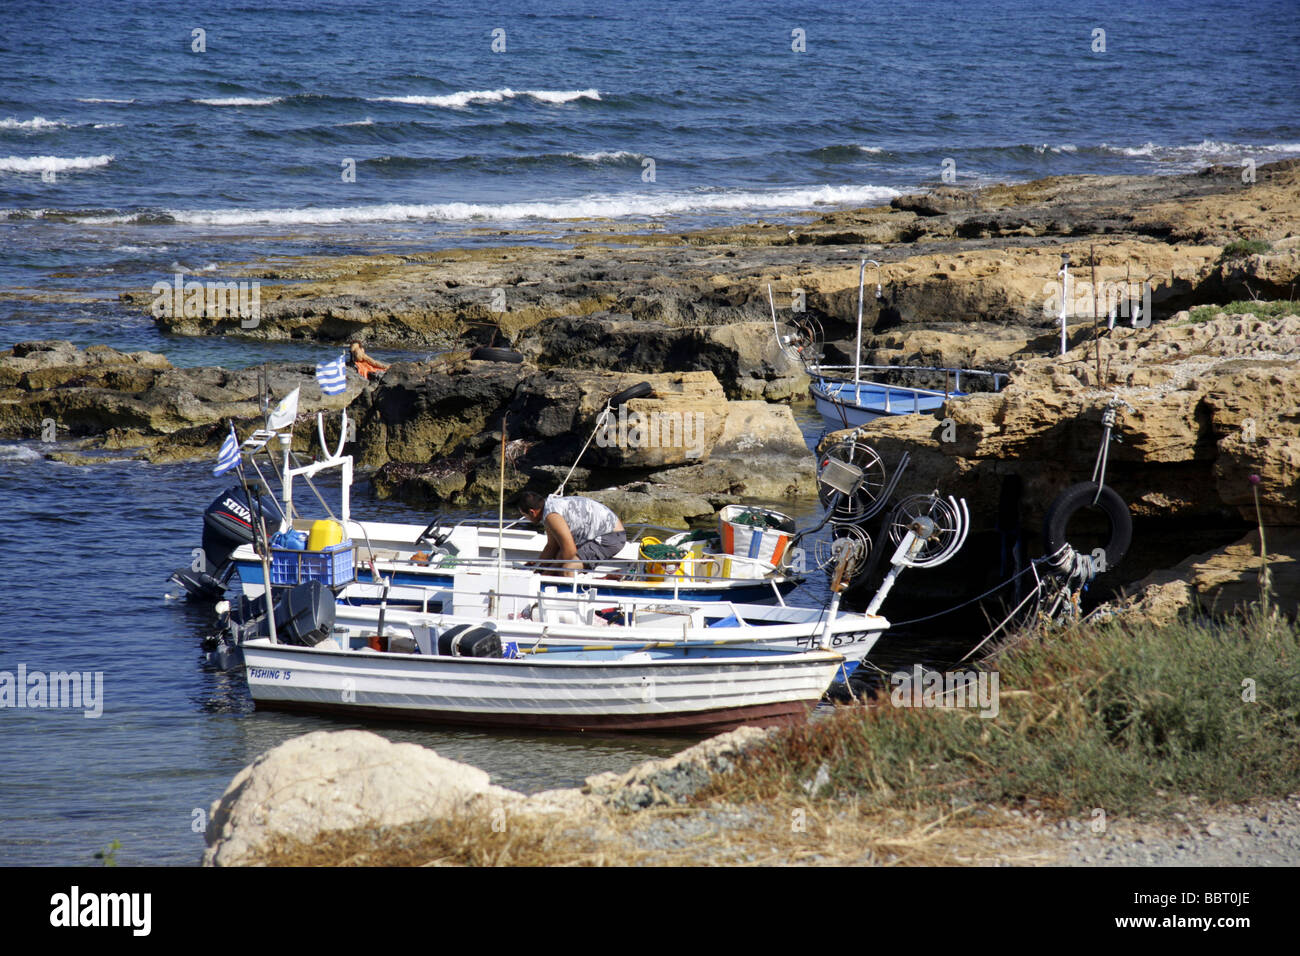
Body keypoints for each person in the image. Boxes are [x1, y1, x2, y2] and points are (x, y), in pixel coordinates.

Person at [515, 490, 626, 575]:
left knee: (567, 569)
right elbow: (551, 547)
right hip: (602, 534)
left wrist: (546, 574)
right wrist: (537, 569)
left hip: (610, 536)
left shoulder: (552, 515)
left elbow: (570, 551)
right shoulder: (549, 510)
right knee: (559, 557)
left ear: (532, 512)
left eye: (525, 516)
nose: (526, 519)